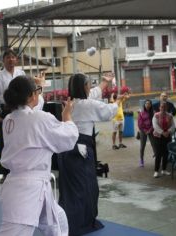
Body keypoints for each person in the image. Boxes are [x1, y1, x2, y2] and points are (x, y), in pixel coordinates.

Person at [0, 76, 78, 236]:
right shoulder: (38, 119)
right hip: (28, 191)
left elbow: (32, 112)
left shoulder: (9, 119)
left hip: (22, 184)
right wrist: (67, 116)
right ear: (30, 96)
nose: (38, 95)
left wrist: (38, 86)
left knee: (58, 221)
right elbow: (69, 138)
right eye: (37, 92)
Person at [57, 73, 118, 236]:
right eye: (88, 84)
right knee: (85, 187)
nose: (90, 86)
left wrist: (105, 83)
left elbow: (94, 93)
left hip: (66, 151)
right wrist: (118, 102)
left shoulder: (71, 102)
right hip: (81, 151)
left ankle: (67, 221)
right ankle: (80, 223)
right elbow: (108, 112)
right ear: (83, 87)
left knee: (70, 188)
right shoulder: (87, 104)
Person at [0, 48, 44, 184]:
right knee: (5, 141)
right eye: (8, 57)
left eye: (13, 57)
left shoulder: (21, 73)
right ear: (3, 60)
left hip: (22, 108)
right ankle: (5, 172)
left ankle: (21, 168)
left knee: (22, 138)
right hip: (6, 110)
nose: (11, 60)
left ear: (17, 60)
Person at [152, 102, 175, 178]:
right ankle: (156, 171)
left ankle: (164, 170)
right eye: (162, 107)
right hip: (158, 137)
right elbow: (155, 125)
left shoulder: (170, 116)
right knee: (158, 154)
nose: (163, 108)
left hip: (167, 136)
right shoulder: (156, 115)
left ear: (167, 108)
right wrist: (162, 132)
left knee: (166, 154)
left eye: (164, 107)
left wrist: (168, 131)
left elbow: (173, 126)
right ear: (159, 108)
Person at [138, 99, 155, 167]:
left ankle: (156, 157)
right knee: (142, 146)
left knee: (154, 145)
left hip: (151, 130)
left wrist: (150, 130)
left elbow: (154, 123)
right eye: (146, 103)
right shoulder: (141, 113)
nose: (147, 105)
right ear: (144, 105)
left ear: (151, 105)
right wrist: (145, 130)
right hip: (143, 131)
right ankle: (141, 160)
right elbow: (140, 124)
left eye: (149, 104)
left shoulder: (153, 113)